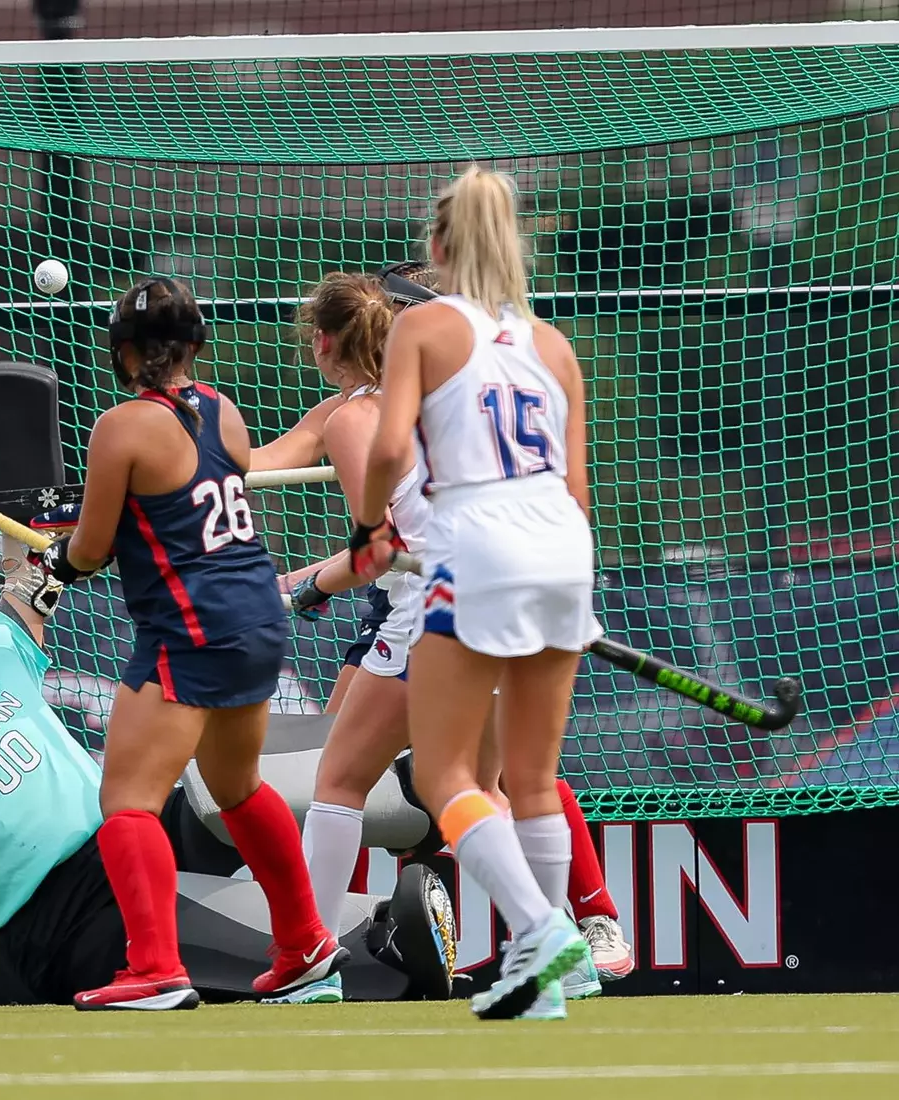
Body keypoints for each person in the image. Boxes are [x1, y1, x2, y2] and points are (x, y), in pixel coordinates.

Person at [0, 540, 445, 1007]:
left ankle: (414, 799)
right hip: (59, 915)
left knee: (221, 782)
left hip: (130, 834)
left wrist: (33, 520)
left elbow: (28, 584)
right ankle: (381, 942)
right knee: (240, 944)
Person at [259, 266, 633, 991]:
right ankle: (557, 951)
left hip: (437, 605)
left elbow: (379, 550)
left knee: (341, 780)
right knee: (483, 790)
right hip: (516, 595)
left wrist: (303, 588)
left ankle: (309, 962)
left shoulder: (360, 418)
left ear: (326, 342)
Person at [38, 276, 345, 1010]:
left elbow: (92, 548)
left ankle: (153, 968)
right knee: (237, 787)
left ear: (123, 352)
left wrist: (55, 562)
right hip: (255, 616)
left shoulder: (121, 427)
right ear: (193, 347)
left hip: (190, 628)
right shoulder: (223, 409)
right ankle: (305, 946)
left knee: (127, 800)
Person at [352, 165, 599, 1020]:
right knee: (532, 778)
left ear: (438, 244)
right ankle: (554, 974)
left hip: (477, 544)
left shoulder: (424, 326)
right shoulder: (553, 344)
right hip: (563, 547)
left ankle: (541, 930)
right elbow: (577, 486)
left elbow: (390, 448)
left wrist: (367, 526)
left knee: (445, 773)